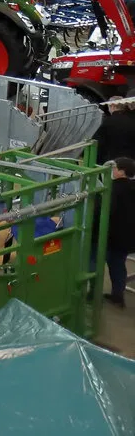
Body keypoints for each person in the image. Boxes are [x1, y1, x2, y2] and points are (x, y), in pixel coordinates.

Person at [99, 157, 135, 307]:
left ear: (121, 171)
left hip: (115, 235)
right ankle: (117, 294)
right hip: (130, 235)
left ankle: (114, 296)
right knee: (119, 263)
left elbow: (108, 210)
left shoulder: (114, 188)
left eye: (115, 168)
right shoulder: (132, 186)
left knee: (111, 263)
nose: (112, 171)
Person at [94, 98, 135, 165]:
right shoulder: (132, 119)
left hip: (114, 162)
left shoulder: (108, 122)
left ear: (112, 106)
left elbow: (98, 145)